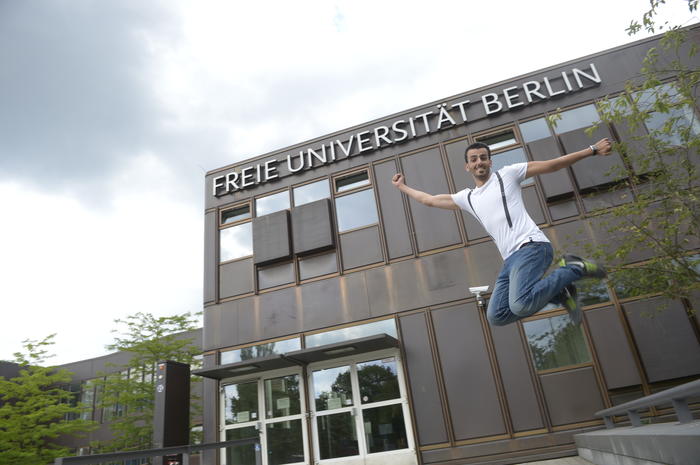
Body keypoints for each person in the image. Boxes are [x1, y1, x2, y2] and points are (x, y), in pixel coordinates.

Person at [391, 138, 613, 325]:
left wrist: (591, 150)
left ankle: (573, 268)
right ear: (467, 166)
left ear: (490, 161)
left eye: (483, 157)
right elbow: (429, 200)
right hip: (510, 260)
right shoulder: (467, 198)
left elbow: (552, 165)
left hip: (531, 246)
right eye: (474, 159)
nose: (479, 162)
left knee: (521, 303)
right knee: (497, 315)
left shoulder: (508, 174)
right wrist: (402, 187)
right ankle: (559, 292)